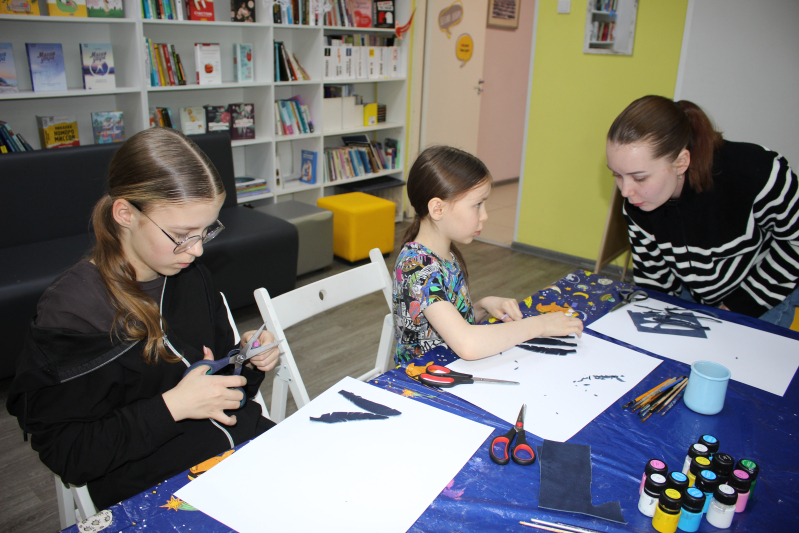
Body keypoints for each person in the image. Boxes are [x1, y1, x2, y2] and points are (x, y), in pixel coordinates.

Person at [6, 128, 280, 510]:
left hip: (241, 450)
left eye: (206, 231)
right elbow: (69, 454)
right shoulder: (73, 313)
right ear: (125, 214)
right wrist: (172, 407)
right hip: (157, 488)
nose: (197, 250)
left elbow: (228, 388)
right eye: (182, 234)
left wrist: (246, 359)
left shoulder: (189, 275)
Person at [606, 95, 799, 327]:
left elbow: (795, 243)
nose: (626, 191)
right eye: (617, 175)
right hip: (700, 291)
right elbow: (654, 281)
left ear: (681, 162)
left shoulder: (757, 173)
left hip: (766, 288)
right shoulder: (639, 203)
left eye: (639, 178)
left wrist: (736, 307)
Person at [393, 146, 584, 364]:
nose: (484, 215)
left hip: (449, 365)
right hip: (421, 376)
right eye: (477, 205)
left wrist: (482, 305)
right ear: (438, 209)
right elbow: (467, 344)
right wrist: (541, 325)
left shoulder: (445, 254)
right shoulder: (417, 266)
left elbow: (447, 325)